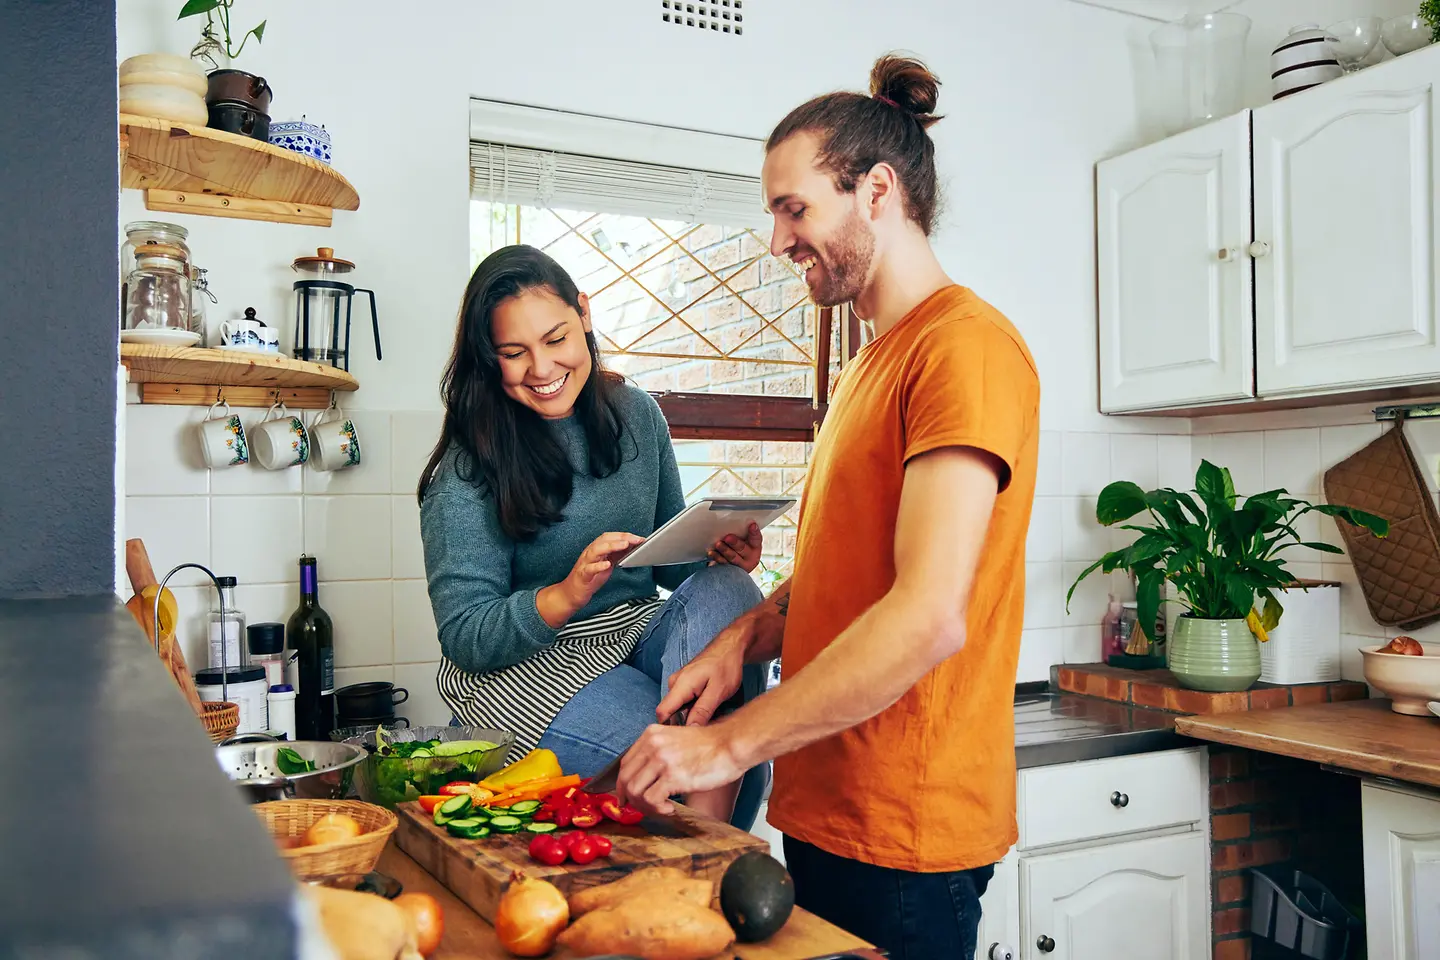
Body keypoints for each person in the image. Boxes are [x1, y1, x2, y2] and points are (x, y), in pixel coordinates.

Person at [614, 54, 1040, 958]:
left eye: (793, 209)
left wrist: (726, 749)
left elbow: (927, 617)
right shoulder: (868, 366)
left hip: (905, 830)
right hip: (828, 809)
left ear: (876, 191)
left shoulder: (964, 351)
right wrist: (743, 638)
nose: (777, 241)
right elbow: (843, 576)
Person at [417, 244, 771, 827]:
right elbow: (465, 637)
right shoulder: (467, 469)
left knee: (730, 589)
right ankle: (709, 825)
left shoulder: (636, 415)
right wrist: (565, 594)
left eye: (555, 339)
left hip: (634, 633)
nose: (541, 369)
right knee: (710, 761)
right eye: (514, 353)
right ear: (488, 358)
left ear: (583, 313)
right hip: (532, 669)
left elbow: (672, 568)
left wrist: (719, 553)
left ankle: (701, 801)